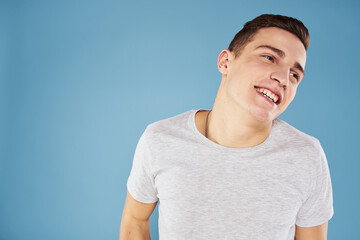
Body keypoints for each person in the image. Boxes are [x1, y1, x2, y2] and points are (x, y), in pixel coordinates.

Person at [120, 14, 334, 240]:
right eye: (269, 57)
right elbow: (135, 220)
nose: (283, 78)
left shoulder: (306, 156)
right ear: (225, 62)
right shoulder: (160, 139)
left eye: (294, 74)